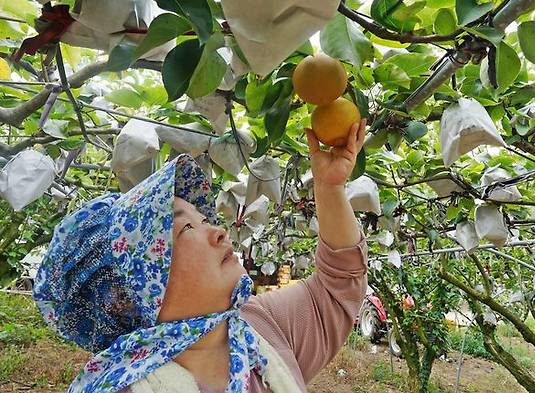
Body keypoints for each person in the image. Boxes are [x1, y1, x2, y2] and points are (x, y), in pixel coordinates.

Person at [33, 120, 368, 393]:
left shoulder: (259, 325)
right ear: (129, 293)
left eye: (205, 219)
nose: (218, 231)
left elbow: (337, 285)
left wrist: (329, 189)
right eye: (186, 229)